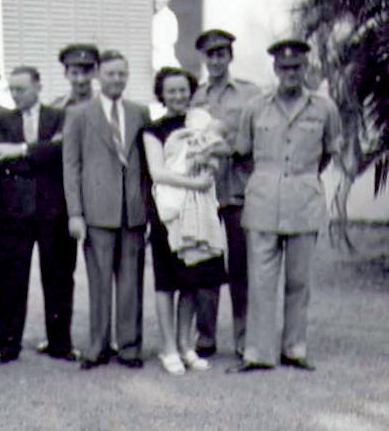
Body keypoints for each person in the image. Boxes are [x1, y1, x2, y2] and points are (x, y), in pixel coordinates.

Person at [228, 40, 343, 373]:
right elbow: (242, 152)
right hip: (263, 201)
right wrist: (268, 179)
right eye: (284, 68)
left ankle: (294, 348)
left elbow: (326, 154)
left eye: (296, 68)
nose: (290, 73)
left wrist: (300, 180)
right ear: (275, 70)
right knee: (260, 281)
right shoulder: (256, 106)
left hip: (305, 201)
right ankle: (258, 352)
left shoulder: (324, 108)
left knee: (298, 281)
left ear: (305, 69)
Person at [63, 50, 151, 370]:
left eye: (122, 74)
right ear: (99, 76)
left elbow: (148, 167)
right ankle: (97, 347)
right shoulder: (79, 114)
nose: (117, 80)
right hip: (96, 211)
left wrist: (148, 211)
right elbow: (71, 167)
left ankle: (129, 347)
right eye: (111, 74)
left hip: (132, 212)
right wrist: (75, 213)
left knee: (131, 283)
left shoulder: (140, 112)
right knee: (98, 283)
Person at [0, 66, 77, 364]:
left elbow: (63, 150)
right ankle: (9, 344)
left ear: (38, 87)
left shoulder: (59, 116)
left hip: (53, 208)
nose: (15, 95)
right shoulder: (0, 121)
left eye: (21, 89)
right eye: (11, 89)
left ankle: (60, 343)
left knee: (59, 276)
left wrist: (22, 150)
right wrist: (40, 152)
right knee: (10, 278)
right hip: (11, 210)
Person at [143, 67, 228, 375]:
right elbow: (158, 172)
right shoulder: (153, 130)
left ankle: (185, 345)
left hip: (199, 211)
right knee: (167, 283)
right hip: (169, 213)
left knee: (192, 280)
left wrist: (209, 161)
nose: (178, 96)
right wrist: (195, 183)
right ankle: (167, 348)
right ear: (162, 95)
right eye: (171, 91)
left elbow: (215, 160)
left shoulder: (202, 124)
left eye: (182, 89)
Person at [190, 29, 262, 358]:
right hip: (204, 193)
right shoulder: (196, 97)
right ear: (204, 59)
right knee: (206, 262)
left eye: (221, 54)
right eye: (210, 55)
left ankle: (244, 336)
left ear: (230, 56)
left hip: (239, 192)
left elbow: (259, 140)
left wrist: (228, 149)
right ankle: (205, 335)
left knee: (241, 268)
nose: (215, 60)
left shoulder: (249, 94)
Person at [51, 44, 100, 110]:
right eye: (75, 73)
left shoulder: (105, 106)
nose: (81, 80)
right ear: (66, 74)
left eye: (86, 72)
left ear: (95, 72)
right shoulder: (56, 108)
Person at [152, 0, 181, 72]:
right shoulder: (155, 17)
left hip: (165, 51)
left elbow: (173, 36)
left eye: (158, 2)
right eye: (156, 1)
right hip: (156, 52)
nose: (156, 4)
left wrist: (163, 46)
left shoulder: (170, 16)